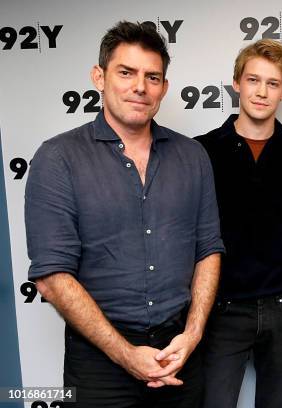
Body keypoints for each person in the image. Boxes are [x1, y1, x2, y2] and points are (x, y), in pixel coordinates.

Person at [25, 21, 224, 407]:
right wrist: (125, 355)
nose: (140, 87)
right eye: (126, 72)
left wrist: (194, 333)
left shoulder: (192, 157)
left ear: (164, 88)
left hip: (180, 355)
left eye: (153, 77)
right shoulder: (58, 158)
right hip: (100, 364)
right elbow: (51, 276)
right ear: (99, 77)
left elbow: (208, 250)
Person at [194, 39, 282, 408]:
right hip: (222, 309)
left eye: (272, 83)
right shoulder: (202, 151)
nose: (261, 92)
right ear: (236, 83)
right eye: (253, 80)